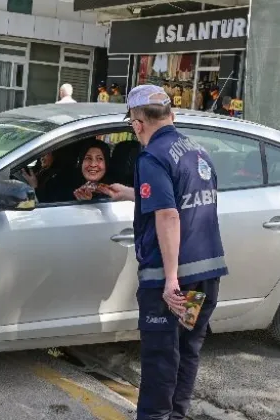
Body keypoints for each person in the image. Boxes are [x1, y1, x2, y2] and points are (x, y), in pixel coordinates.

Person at [105, 85, 228, 420]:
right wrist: (132, 194)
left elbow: (168, 215)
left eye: (133, 122)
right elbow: (177, 198)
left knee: (160, 357)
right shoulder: (196, 151)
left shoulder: (152, 156)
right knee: (185, 351)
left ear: (138, 123)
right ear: (171, 116)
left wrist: (170, 279)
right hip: (206, 274)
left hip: (172, 280)